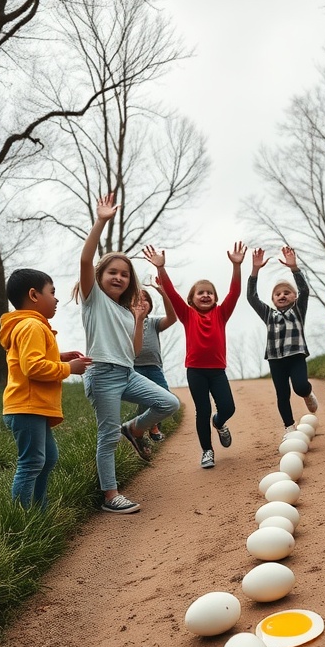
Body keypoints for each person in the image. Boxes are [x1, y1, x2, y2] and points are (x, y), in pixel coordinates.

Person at [77, 194, 180, 513]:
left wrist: (137, 320)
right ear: (100, 276)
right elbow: (84, 261)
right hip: (102, 375)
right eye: (112, 272)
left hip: (126, 372)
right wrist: (101, 221)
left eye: (124, 274)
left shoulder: (126, 313)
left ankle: (134, 429)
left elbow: (134, 351)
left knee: (169, 402)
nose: (119, 277)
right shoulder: (93, 298)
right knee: (106, 435)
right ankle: (111, 496)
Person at [143, 242, 247, 469]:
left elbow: (235, 292)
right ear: (192, 299)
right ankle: (207, 451)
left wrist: (236, 266)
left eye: (210, 292)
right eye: (201, 293)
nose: (206, 295)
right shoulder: (187, 314)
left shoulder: (221, 314)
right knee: (203, 410)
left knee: (227, 408)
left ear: (216, 298)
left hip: (217, 371)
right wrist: (161, 269)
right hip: (196, 371)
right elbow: (171, 293)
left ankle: (219, 424)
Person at [0, 268, 92, 509]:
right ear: (33, 294)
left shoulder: (27, 325)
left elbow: (29, 359)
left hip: (32, 407)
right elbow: (33, 368)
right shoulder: (31, 326)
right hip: (26, 407)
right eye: (52, 292)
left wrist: (59, 357)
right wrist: (69, 368)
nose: (57, 298)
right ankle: (21, 520)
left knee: (48, 458)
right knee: (31, 463)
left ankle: (40, 512)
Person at [247, 246, 318, 435]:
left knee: (300, 386)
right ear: (272, 299)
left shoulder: (298, 311)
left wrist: (294, 268)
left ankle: (307, 393)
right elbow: (251, 298)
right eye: (277, 294)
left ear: (294, 297)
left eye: (287, 292)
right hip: (275, 359)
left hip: (296, 357)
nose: (282, 295)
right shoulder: (268, 314)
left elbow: (304, 289)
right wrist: (255, 271)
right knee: (282, 394)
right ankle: (289, 426)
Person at [133, 280, 177, 442]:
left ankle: (148, 425)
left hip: (154, 368)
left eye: (144, 299)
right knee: (145, 399)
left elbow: (172, 318)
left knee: (164, 396)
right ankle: (148, 428)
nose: (141, 302)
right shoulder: (126, 323)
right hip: (135, 368)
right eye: (136, 299)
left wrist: (164, 294)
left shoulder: (153, 322)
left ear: (150, 304)